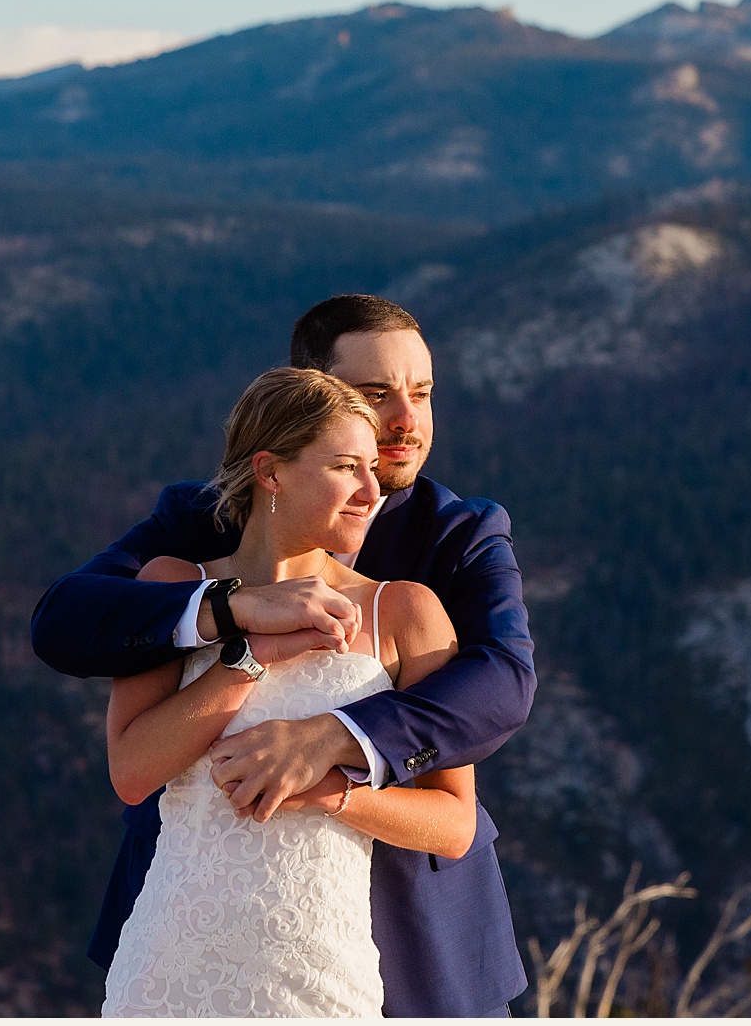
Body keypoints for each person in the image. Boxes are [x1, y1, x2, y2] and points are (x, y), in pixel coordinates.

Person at [31, 295, 533, 1016]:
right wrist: (228, 615)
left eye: (421, 393)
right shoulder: (201, 526)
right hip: (192, 931)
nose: (405, 420)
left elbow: (504, 686)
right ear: (313, 396)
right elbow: (65, 622)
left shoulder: (460, 536)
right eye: (375, 394)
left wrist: (332, 741)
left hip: (418, 933)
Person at [102, 368, 474, 1015]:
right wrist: (251, 655)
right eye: (345, 467)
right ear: (271, 471)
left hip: (321, 974)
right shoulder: (172, 585)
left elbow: (454, 824)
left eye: (372, 470)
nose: (370, 489)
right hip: (168, 971)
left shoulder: (406, 615)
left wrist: (331, 793)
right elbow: (132, 771)